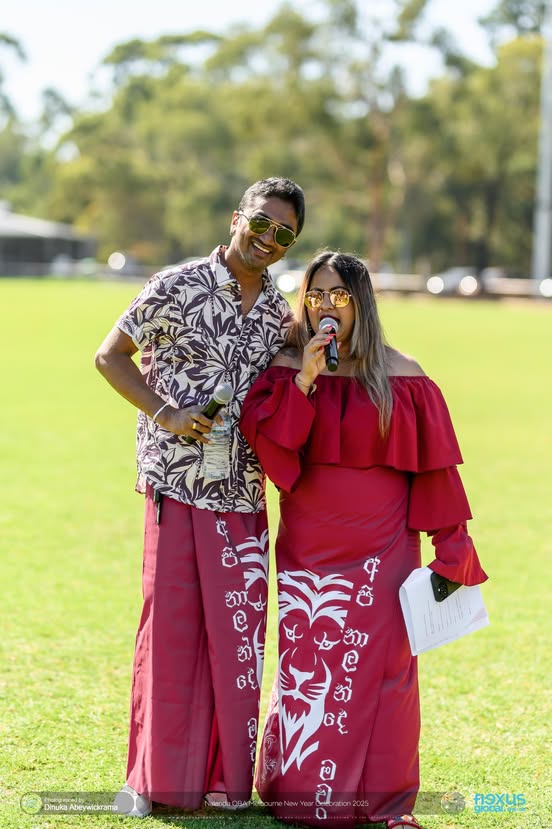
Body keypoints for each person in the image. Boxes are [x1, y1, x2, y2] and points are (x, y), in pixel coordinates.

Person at [240, 251, 488, 829]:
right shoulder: (285, 368)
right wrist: (304, 380)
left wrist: (451, 549)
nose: (327, 307)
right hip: (309, 548)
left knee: (386, 675)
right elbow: (274, 453)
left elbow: (436, 474)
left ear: (362, 303)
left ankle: (387, 805)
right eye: (317, 295)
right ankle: (296, 790)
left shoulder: (405, 375)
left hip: (384, 552)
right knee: (308, 668)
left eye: (339, 295)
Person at [94, 177, 305, 817]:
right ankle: (162, 781)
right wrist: (165, 411)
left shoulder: (279, 313)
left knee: (238, 644)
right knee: (173, 639)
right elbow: (110, 357)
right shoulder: (177, 284)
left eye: (283, 234)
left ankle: (227, 785)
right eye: (260, 223)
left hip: (243, 495)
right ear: (236, 216)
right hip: (177, 487)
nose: (267, 240)